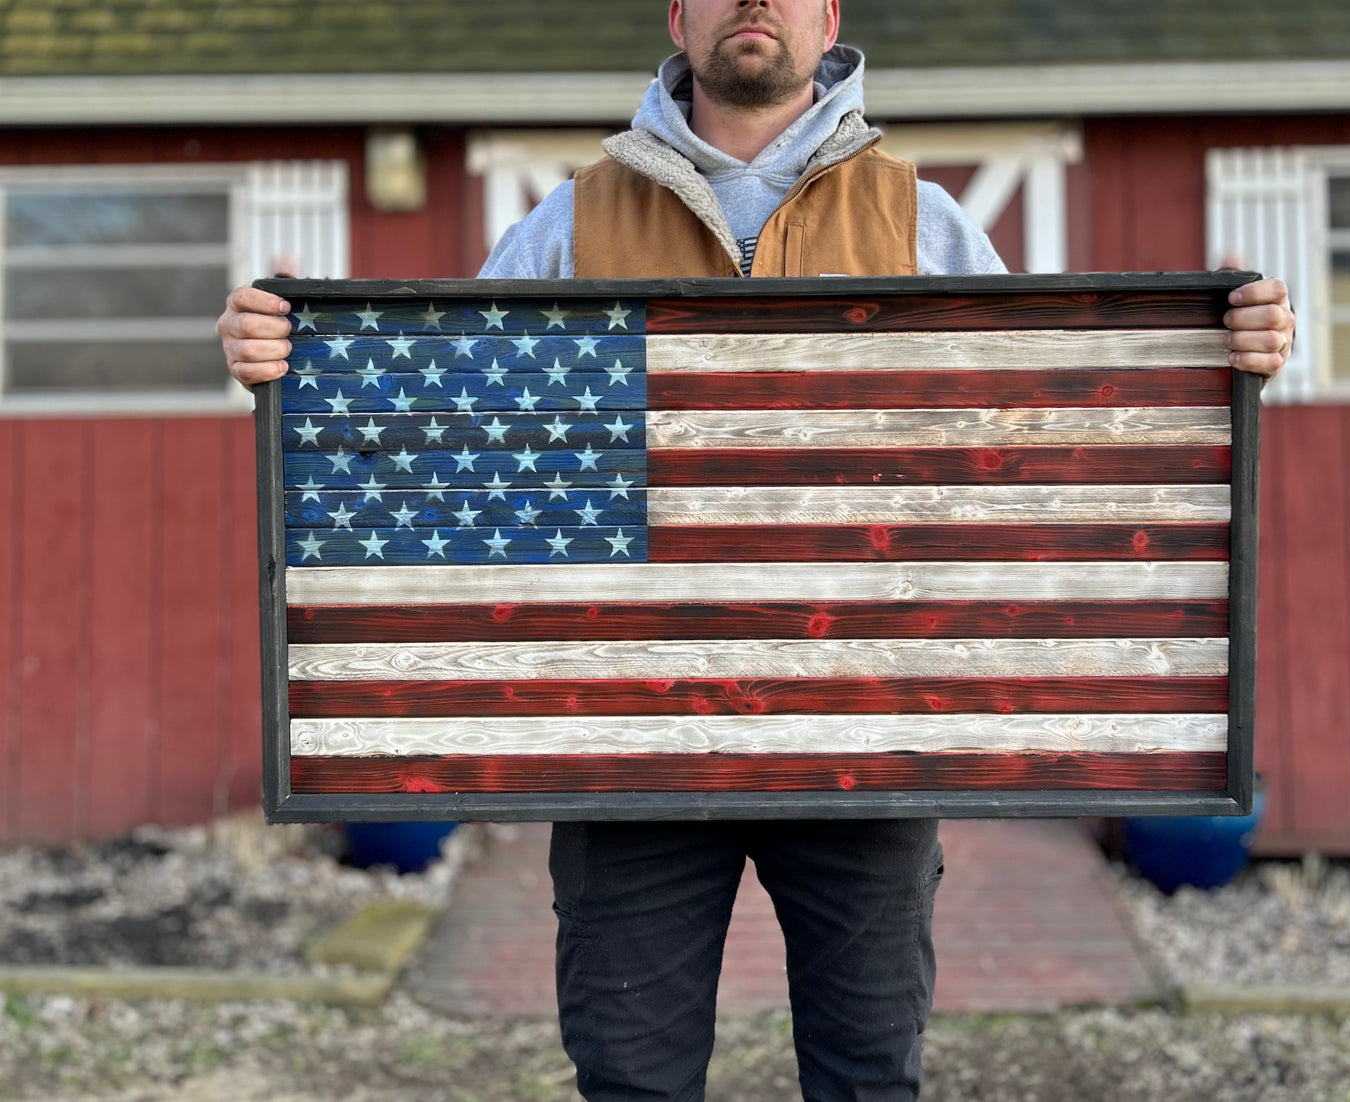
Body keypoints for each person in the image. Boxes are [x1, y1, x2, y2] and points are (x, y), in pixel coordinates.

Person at [219, 2, 1295, 1098]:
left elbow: (1034, 440)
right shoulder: (567, 224)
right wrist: (292, 363)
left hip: (866, 741)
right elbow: (445, 437)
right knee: (630, 1078)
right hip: (621, 749)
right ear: (677, 16)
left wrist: (1213, 361)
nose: (751, 1)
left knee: (867, 1073)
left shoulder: (922, 223)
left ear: (825, 16)